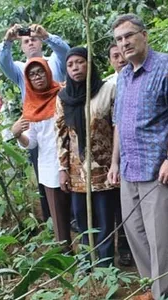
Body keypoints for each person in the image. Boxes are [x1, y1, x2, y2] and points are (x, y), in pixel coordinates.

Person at [108, 14, 168, 299]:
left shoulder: (166, 64)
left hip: (159, 169)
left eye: (129, 35)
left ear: (144, 35)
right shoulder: (122, 76)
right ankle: (154, 289)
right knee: (135, 234)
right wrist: (114, 162)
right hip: (129, 168)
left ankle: (165, 294)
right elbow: (119, 122)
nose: (125, 43)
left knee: (161, 240)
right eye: (119, 39)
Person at [0, 23, 70, 222]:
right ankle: (51, 218)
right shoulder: (21, 70)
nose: (30, 43)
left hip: (62, 124)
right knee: (44, 173)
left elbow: (66, 52)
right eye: (26, 41)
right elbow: (4, 63)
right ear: (22, 46)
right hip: (36, 127)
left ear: (40, 42)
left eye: (34, 39)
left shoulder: (54, 61)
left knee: (69, 170)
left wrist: (47, 36)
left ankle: (74, 217)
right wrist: (7, 41)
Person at [56, 47, 117, 267]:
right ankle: (86, 262)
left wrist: (116, 164)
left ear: (89, 64)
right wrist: (63, 169)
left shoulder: (108, 90)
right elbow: (61, 134)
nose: (75, 68)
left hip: (103, 169)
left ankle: (106, 265)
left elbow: (116, 127)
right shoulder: (63, 97)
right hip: (76, 171)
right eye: (70, 64)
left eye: (80, 62)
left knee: (104, 219)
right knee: (81, 219)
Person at [10, 58, 72, 251]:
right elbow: (32, 143)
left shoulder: (63, 94)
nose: (37, 77)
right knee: (59, 217)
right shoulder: (30, 106)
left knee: (81, 210)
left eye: (40, 72)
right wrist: (18, 134)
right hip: (49, 166)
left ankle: (91, 255)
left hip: (74, 161)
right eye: (32, 74)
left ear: (48, 72)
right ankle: (65, 255)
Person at [104, 43, 133, 267]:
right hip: (113, 154)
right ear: (110, 61)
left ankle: (130, 248)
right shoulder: (108, 86)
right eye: (115, 56)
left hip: (136, 154)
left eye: (122, 54)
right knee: (117, 205)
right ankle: (122, 248)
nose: (120, 59)